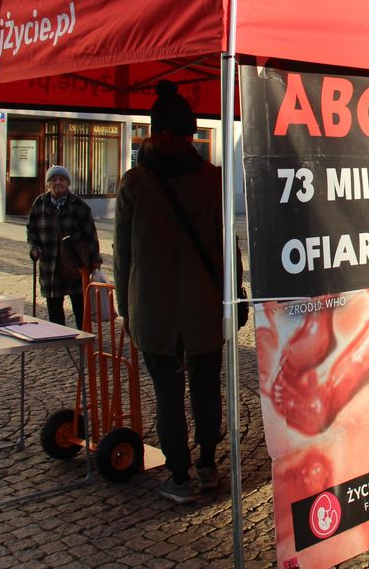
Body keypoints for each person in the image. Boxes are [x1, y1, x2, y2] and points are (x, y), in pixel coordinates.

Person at [114, 80, 224, 505]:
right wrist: (232, 294)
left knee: (168, 394)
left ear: (154, 132)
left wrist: (125, 308)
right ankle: (209, 465)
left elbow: (123, 255)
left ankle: (179, 476)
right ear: (190, 133)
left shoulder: (134, 184)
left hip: (153, 306)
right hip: (205, 304)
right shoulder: (212, 180)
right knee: (206, 386)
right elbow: (225, 247)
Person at [26, 165, 102, 329]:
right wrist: (34, 247)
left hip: (75, 265)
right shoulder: (40, 203)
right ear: (48, 184)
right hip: (50, 265)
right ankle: (59, 336)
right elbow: (32, 229)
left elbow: (90, 234)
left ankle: (84, 336)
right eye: (53, 180)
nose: (57, 182)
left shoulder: (79, 205)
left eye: (61, 179)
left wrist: (95, 259)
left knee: (80, 307)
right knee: (54, 309)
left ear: (68, 183)